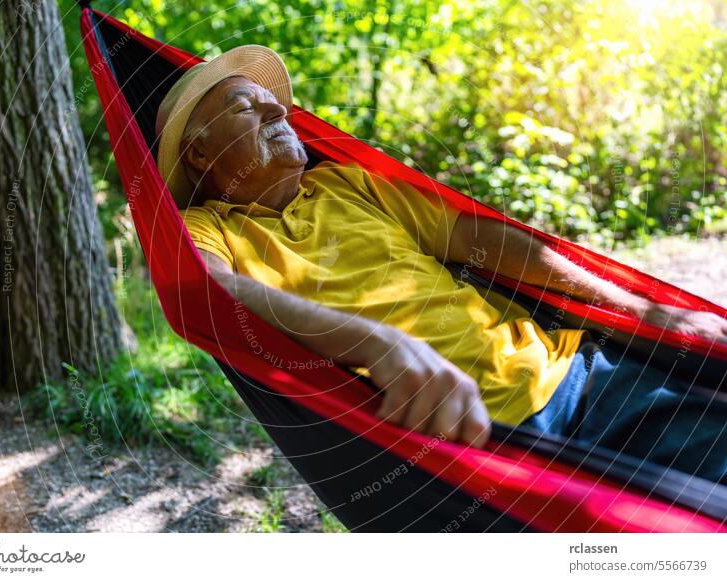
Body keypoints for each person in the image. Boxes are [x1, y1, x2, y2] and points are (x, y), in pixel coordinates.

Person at [155, 45, 727, 482]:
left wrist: (646, 310)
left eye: (270, 98)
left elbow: (482, 242)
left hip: (577, 374)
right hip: (472, 447)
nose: (278, 107)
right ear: (200, 152)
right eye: (244, 105)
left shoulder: (346, 184)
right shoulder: (211, 229)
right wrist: (374, 343)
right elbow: (204, 289)